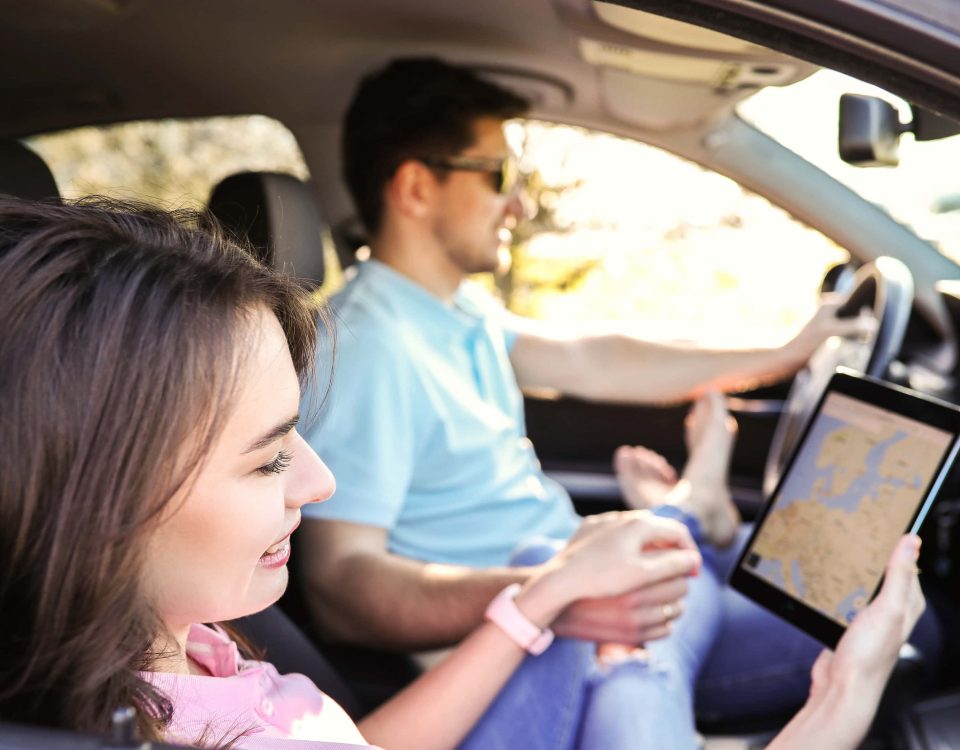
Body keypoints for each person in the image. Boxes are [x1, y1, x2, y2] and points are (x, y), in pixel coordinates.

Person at [0, 197, 928, 750]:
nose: (319, 484)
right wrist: (838, 704)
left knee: (593, 585)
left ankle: (679, 528)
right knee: (635, 635)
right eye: (271, 455)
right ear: (108, 508)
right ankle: (687, 527)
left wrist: (542, 595)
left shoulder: (178, 647)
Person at [296, 56, 941, 730]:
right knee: (897, 631)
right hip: (526, 651)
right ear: (415, 187)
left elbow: (594, 359)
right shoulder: (366, 347)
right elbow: (341, 585)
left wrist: (784, 352)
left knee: (875, 609)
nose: (519, 203)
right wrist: (550, 593)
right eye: (499, 176)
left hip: (577, 600)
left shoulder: (454, 312)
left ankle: (689, 517)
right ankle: (690, 512)